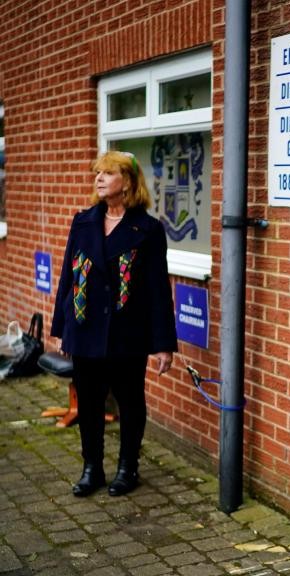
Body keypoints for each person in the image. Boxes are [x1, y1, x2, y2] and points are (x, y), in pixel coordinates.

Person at [52, 150, 177, 497]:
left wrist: (164, 343)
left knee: (130, 401)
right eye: (97, 173)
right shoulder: (83, 222)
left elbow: (157, 290)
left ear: (128, 182)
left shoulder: (148, 230)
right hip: (86, 328)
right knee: (89, 402)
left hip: (127, 334)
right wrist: (62, 328)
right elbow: (68, 278)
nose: (99, 178)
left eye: (108, 173)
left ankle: (128, 468)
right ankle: (92, 468)